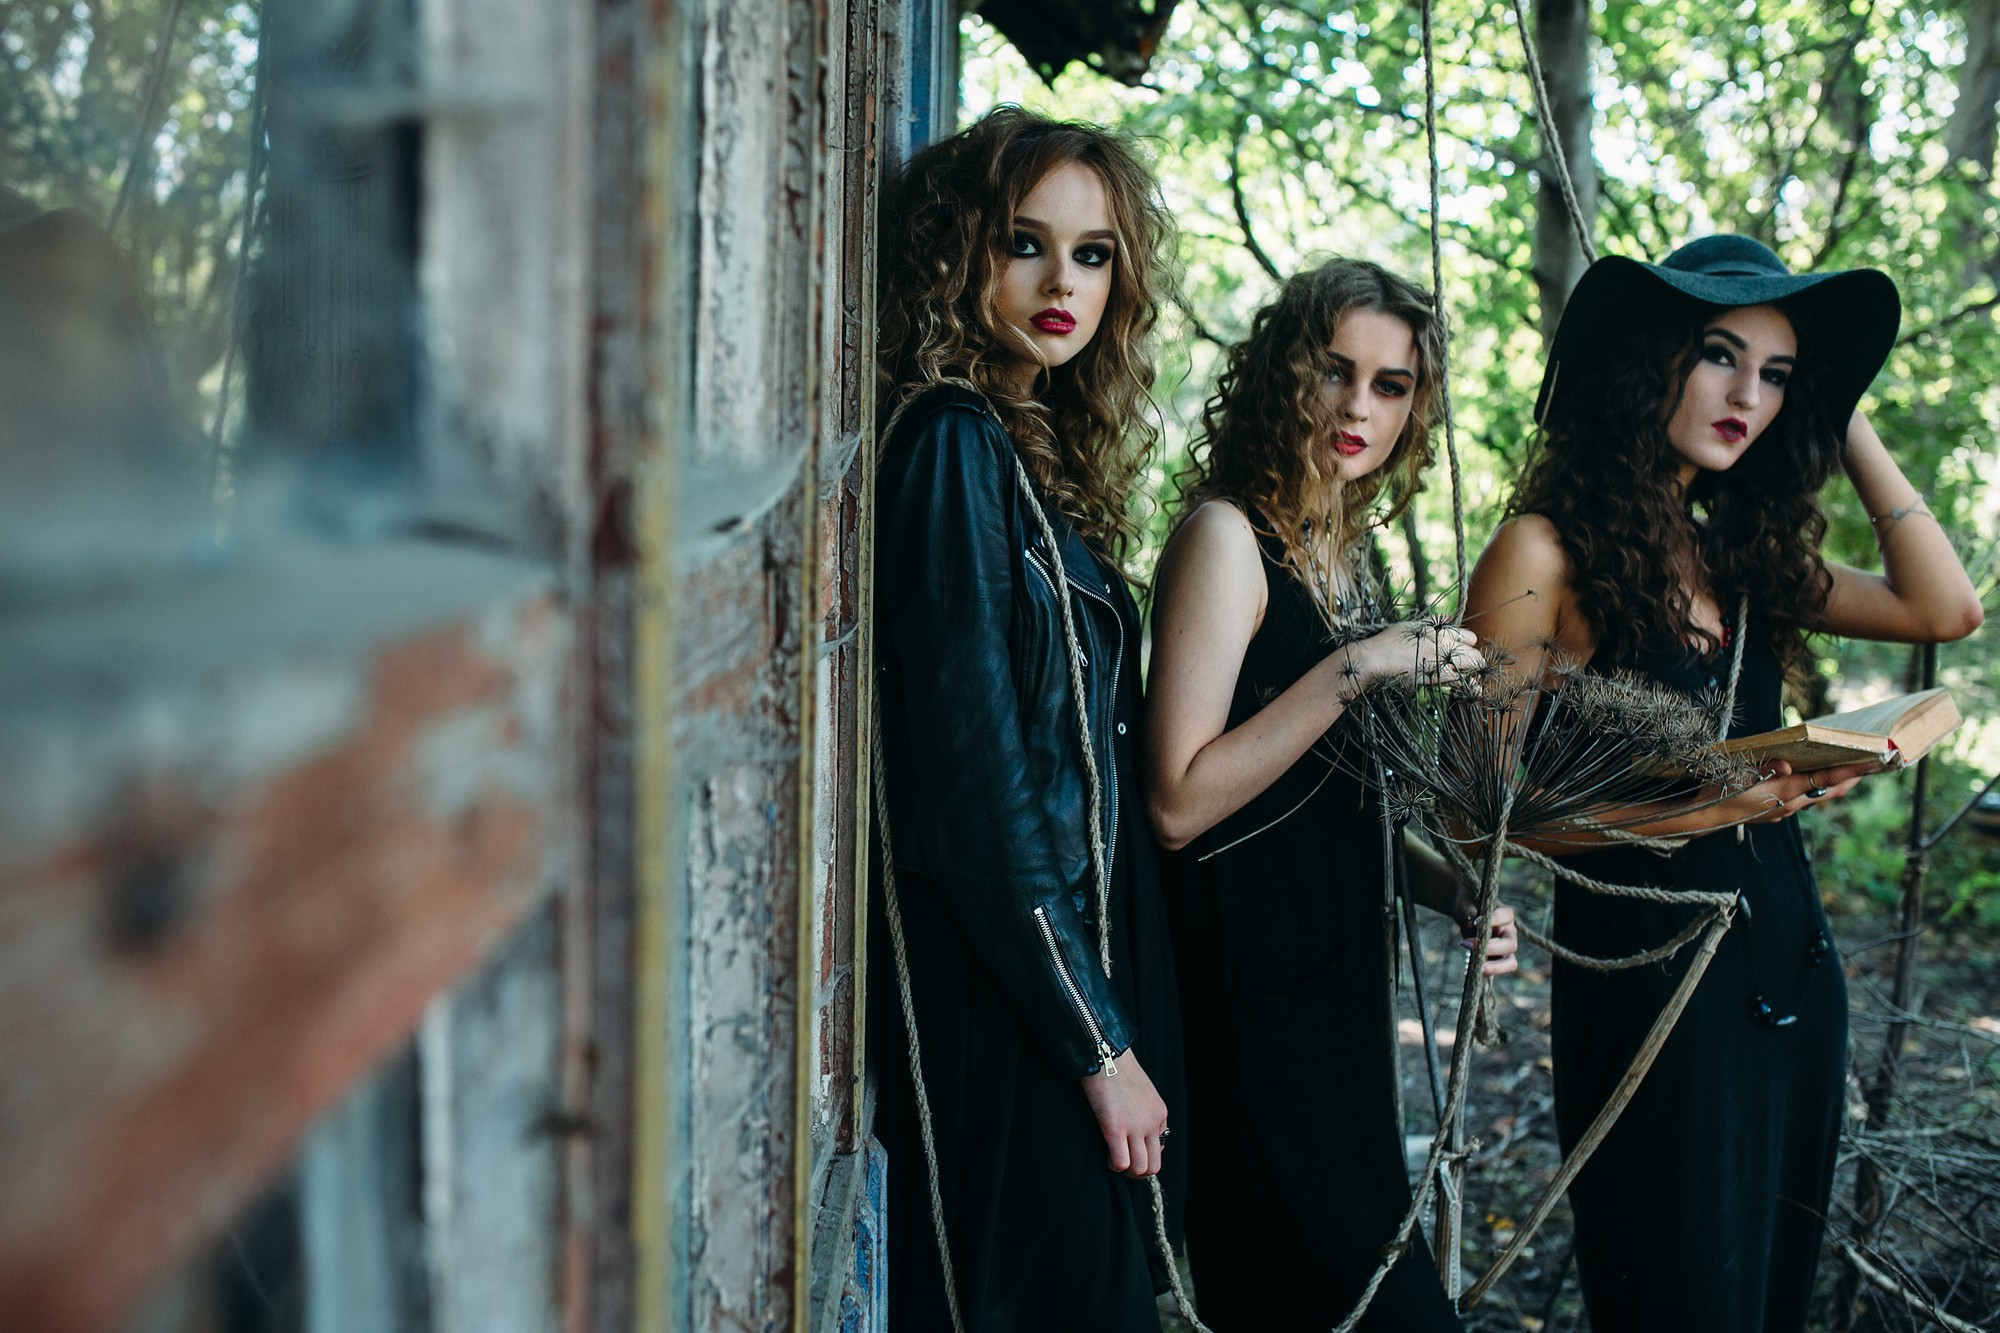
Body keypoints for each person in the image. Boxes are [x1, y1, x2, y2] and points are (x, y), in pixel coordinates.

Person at [1464, 234, 1983, 1333]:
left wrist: (1837, 407)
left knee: (1767, 1296)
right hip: (1654, 982)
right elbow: (1483, 817)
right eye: (1719, 355)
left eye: (1777, 375)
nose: (1748, 397)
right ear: (1645, 361)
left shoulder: (1738, 557)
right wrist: (1715, 805)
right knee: (1679, 1295)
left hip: (1791, 967)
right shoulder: (1540, 553)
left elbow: (1943, 607)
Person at [1143, 258, 1519, 1331]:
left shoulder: (1339, 556)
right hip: (1253, 1008)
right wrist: (1358, 666)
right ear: (1281, 374)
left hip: (1339, 1000)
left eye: (1391, 385)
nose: (1359, 407)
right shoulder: (1227, 540)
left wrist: (1442, 885)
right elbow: (1177, 801)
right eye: (1334, 371)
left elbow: (1314, 802)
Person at [869, 107, 1185, 1332]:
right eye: (1025, 243)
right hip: (1005, 999)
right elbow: (976, 786)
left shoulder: (1018, 450)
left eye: (1092, 254)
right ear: (960, 254)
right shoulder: (949, 446)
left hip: (1052, 979)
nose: (1063, 284)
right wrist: (1093, 1041)